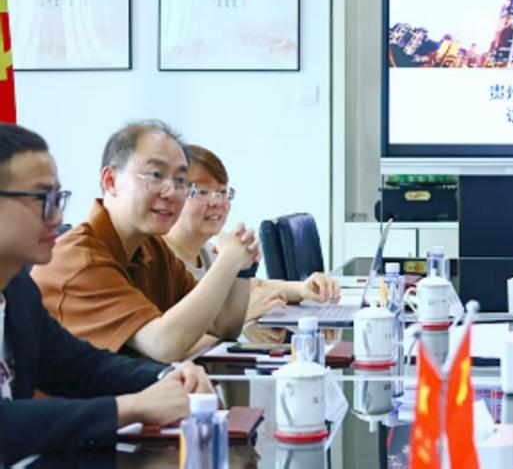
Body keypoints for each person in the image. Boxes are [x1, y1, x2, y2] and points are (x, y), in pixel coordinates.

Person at [0, 123, 214, 464]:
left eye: (58, 199)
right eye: (41, 199)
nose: (57, 216)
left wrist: (165, 377)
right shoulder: (78, 258)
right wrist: (130, 407)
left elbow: (80, 367)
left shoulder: (18, 291)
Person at [32, 121, 257, 363]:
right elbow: (165, 345)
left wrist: (241, 269)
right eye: (155, 175)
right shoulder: (79, 259)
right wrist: (228, 259)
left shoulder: (152, 247)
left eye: (181, 180)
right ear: (110, 181)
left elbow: (223, 326)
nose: (170, 192)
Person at [163, 144, 340, 322]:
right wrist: (241, 316)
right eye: (202, 192)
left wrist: (302, 288)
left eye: (222, 192)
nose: (217, 202)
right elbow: (173, 334)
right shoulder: (159, 260)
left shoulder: (207, 252)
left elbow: (256, 284)